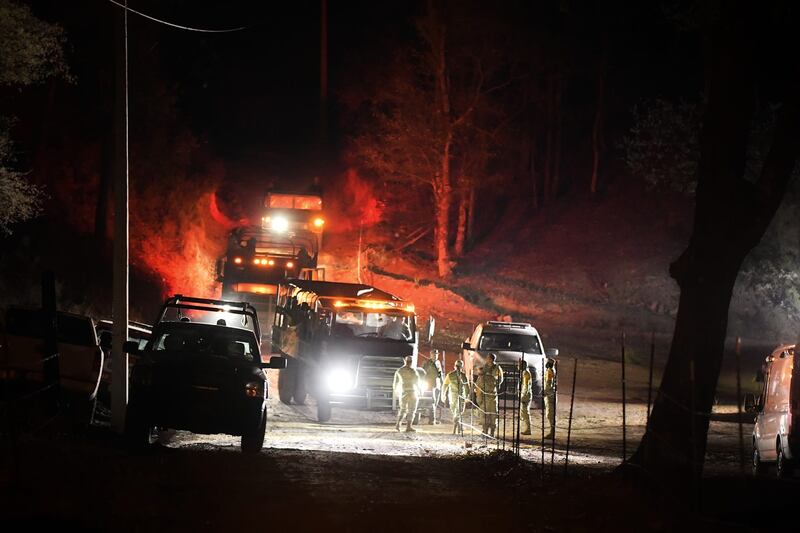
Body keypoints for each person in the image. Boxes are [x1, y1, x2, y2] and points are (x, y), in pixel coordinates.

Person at [393, 355, 421, 432]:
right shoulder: (413, 371)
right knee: (411, 410)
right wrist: (420, 390)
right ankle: (408, 426)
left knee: (403, 409)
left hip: (403, 392)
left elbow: (395, 383)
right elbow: (417, 382)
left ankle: (398, 425)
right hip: (412, 392)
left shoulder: (399, 371)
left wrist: (396, 392)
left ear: (405, 361)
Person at [442, 359, 469, 434]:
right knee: (458, 412)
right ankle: (458, 427)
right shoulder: (463, 376)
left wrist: (443, 395)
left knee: (455, 411)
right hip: (460, 396)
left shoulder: (450, 375)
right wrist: (467, 396)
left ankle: (456, 428)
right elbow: (467, 387)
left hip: (453, 396)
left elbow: (445, 386)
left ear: (454, 366)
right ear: (462, 367)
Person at [421, 349, 443, 424]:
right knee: (432, 401)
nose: (435, 355)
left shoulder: (438, 362)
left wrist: (442, 383)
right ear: (430, 355)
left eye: (436, 354)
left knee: (436, 402)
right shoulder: (427, 363)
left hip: (437, 384)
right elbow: (423, 373)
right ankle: (432, 420)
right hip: (430, 384)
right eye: (434, 354)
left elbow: (440, 374)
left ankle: (433, 419)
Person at [543, 358, 557, 439]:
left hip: (550, 394)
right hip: (551, 393)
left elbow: (549, 383)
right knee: (551, 414)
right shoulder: (552, 370)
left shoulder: (549, 371)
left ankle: (552, 433)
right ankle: (552, 432)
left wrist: (545, 391)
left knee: (550, 414)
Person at [518, 359, 532, 435]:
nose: (518, 366)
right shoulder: (523, 373)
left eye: (519, 365)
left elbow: (526, 386)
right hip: (524, 395)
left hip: (525, 396)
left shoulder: (526, 374)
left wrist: (523, 396)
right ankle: (527, 428)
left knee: (525, 412)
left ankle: (528, 429)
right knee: (523, 413)